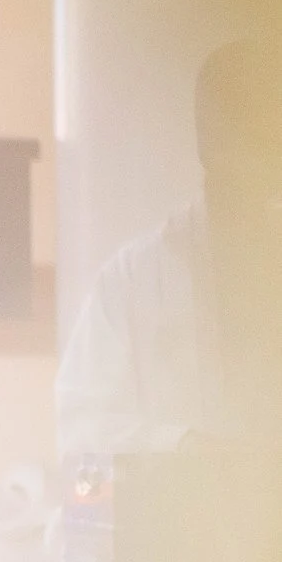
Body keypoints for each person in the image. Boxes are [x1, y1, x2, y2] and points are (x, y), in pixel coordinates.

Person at [59, 37, 282, 458]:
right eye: (237, 132)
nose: (255, 156)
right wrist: (184, 448)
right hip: (183, 513)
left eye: (266, 132)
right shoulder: (135, 279)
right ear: (204, 140)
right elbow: (81, 435)